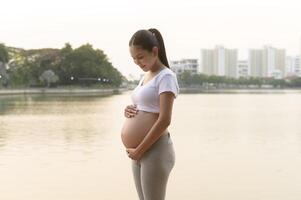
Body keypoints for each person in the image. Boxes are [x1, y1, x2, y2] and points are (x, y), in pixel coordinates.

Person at [121, 28, 180, 200]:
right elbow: (145, 105)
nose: (137, 62)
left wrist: (140, 150)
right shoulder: (146, 76)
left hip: (155, 149)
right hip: (139, 151)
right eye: (133, 58)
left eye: (140, 57)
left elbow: (164, 120)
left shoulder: (166, 77)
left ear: (155, 51)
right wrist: (129, 109)